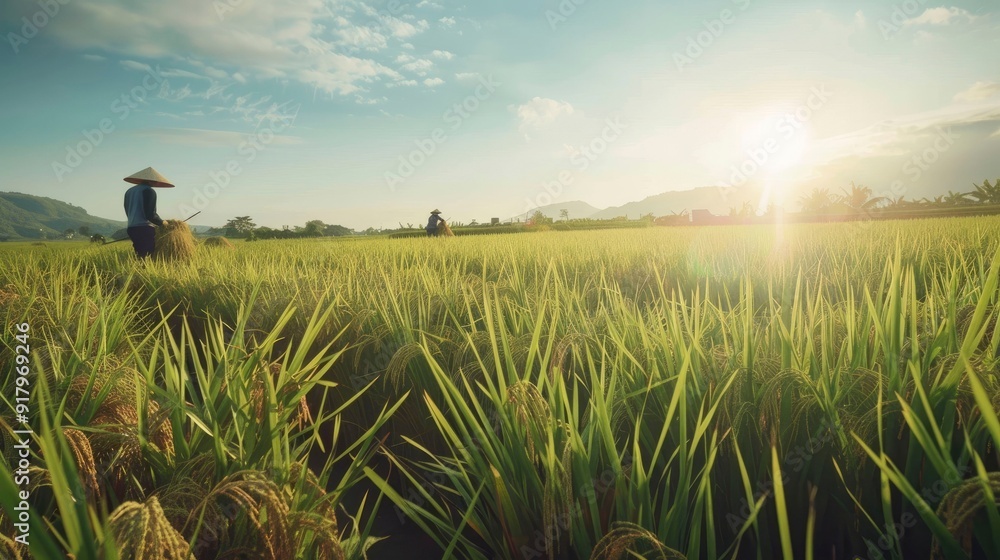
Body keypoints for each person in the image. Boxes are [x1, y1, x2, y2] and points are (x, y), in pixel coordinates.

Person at [123, 167, 173, 258]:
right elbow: (150, 214)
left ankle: (137, 270)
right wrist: (162, 223)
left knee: (139, 254)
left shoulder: (129, 192)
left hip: (131, 228)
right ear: (152, 180)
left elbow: (127, 210)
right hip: (144, 229)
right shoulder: (149, 191)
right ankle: (145, 271)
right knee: (148, 256)